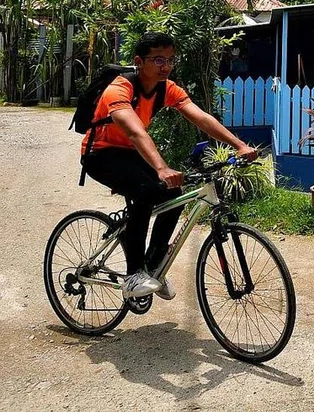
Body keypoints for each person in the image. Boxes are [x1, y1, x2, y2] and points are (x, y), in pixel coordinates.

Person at [80, 32, 258, 300]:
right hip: (101, 154)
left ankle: (154, 266)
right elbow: (135, 131)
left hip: (132, 154)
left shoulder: (166, 88)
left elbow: (201, 117)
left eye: (170, 60)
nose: (166, 66)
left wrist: (239, 145)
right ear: (139, 62)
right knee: (145, 191)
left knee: (175, 194)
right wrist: (162, 168)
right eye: (158, 60)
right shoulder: (119, 89)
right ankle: (134, 275)